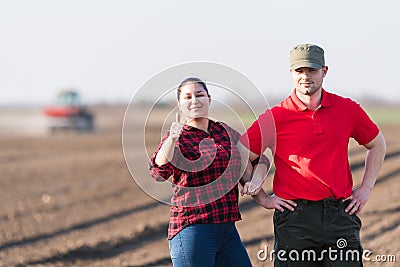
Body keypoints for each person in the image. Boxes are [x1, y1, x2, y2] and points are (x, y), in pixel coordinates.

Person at [238, 43, 386, 266]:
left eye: (312, 70)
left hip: (340, 215)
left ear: (324, 71)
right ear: (291, 73)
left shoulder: (347, 109)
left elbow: (377, 145)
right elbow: (241, 156)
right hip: (295, 220)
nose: (305, 76)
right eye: (299, 71)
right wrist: (263, 198)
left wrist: (366, 188)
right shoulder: (275, 117)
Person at [148, 77, 269, 267]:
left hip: (227, 229)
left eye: (199, 95)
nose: (194, 100)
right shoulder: (177, 138)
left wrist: (259, 187)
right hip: (193, 230)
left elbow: (259, 158)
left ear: (209, 99)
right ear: (179, 105)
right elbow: (158, 171)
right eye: (187, 97)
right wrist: (171, 139)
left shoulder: (224, 131)